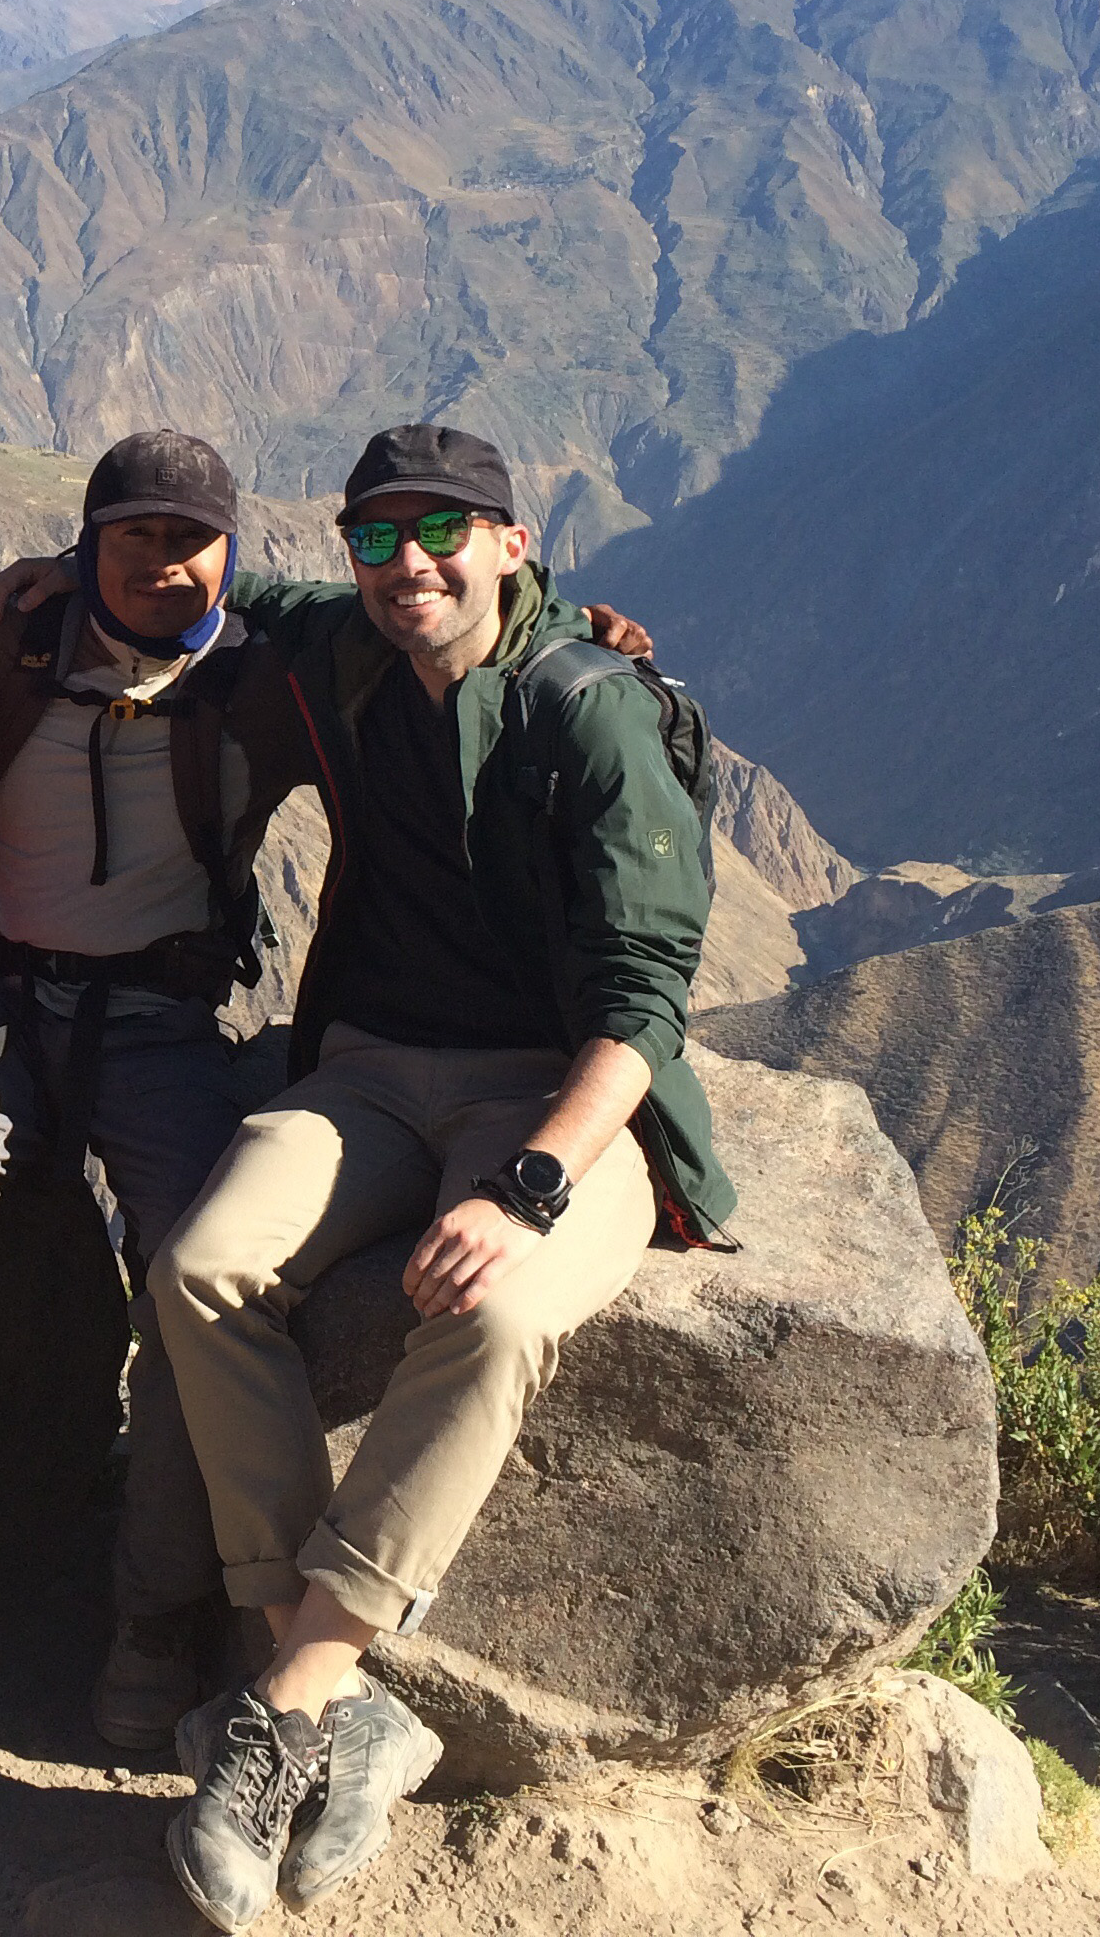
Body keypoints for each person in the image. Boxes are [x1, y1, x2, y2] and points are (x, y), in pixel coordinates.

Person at [0, 431, 657, 1754]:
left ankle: (155, 1605)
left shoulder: (269, 678)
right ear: (86, 543)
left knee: (197, 1270)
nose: (166, 567)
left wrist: (576, 621)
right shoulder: (6, 642)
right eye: (134, 539)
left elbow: (436, 618)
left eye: (192, 542)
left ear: (233, 552)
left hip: (168, 1024)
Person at [139, 423, 733, 1932]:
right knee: (203, 1264)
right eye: (376, 539)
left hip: (555, 1097)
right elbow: (218, 588)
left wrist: (529, 1184)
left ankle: (280, 1712)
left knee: (499, 1313)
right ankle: (326, 1687)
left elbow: (647, 999)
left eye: (442, 532)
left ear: (512, 543)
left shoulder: (593, 713)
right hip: (374, 1071)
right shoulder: (348, 648)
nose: (409, 565)